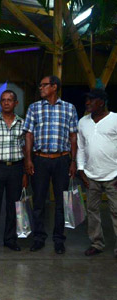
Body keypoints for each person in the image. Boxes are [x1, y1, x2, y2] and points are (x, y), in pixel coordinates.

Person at [24, 75, 78, 254]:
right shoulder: (34, 108)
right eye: (40, 85)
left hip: (62, 160)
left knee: (61, 202)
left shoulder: (69, 108)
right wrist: (29, 159)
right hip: (40, 159)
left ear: (54, 87)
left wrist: (73, 161)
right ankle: (39, 238)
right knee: (39, 201)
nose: (40, 88)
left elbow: (73, 137)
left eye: (44, 85)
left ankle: (58, 239)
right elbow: (29, 135)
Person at [0, 90, 27, 253]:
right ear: (0, 103)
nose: (6, 103)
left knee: (13, 206)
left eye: (10, 100)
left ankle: (10, 239)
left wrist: (24, 173)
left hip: (16, 167)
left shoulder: (23, 124)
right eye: (3, 100)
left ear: (16, 103)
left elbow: (25, 148)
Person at [77, 89, 117, 257]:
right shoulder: (83, 122)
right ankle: (97, 243)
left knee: (116, 211)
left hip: (113, 175)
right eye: (86, 100)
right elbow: (81, 147)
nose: (87, 103)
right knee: (92, 211)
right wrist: (81, 170)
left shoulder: (115, 119)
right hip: (91, 175)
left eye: (91, 100)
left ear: (101, 102)